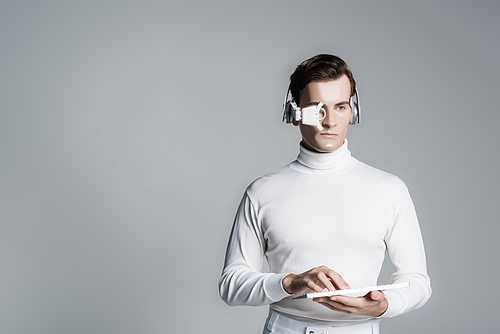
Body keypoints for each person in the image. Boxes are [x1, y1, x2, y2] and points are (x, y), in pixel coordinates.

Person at [218, 54, 431, 334]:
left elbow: (417, 282)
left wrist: (384, 305)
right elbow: (231, 285)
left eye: (340, 107)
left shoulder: (390, 189)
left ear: (353, 111)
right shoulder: (262, 192)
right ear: (293, 114)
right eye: (317, 109)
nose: (330, 121)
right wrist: (289, 282)